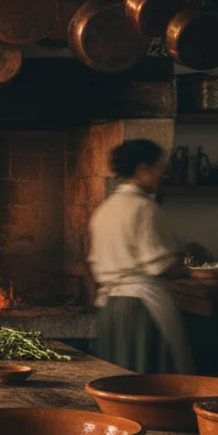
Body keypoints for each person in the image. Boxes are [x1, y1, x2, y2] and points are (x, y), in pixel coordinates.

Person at [87, 138, 193, 374]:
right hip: (140, 309)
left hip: (111, 308)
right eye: (158, 169)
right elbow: (159, 264)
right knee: (150, 382)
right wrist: (184, 258)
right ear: (142, 169)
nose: (160, 176)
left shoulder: (104, 209)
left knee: (118, 380)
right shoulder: (144, 208)